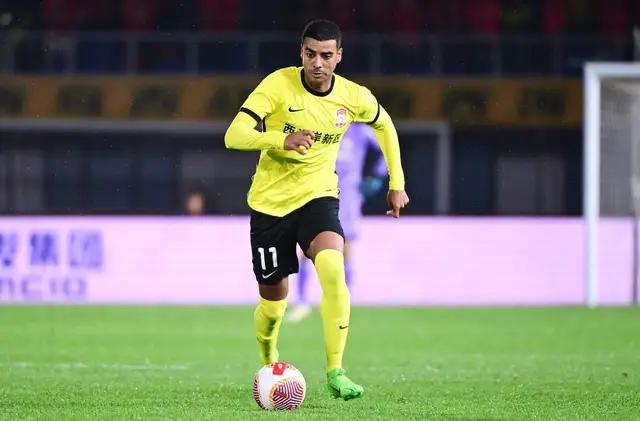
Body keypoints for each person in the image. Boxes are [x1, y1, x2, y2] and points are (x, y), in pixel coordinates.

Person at [224, 19, 409, 401]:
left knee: (333, 270)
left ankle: (336, 371)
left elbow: (385, 125)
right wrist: (281, 139)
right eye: (311, 54)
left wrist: (397, 183)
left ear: (339, 56)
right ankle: (269, 360)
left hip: (318, 196)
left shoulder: (353, 96)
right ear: (301, 53)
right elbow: (233, 135)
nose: (318, 63)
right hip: (270, 205)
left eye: (326, 55)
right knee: (273, 305)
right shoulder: (278, 85)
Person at [286, 122, 387, 323]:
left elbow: (386, 149)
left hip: (348, 193)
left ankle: (344, 302)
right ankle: (302, 302)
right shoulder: (320, 124)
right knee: (307, 245)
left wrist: (377, 175)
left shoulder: (360, 131)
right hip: (319, 191)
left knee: (346, 245)